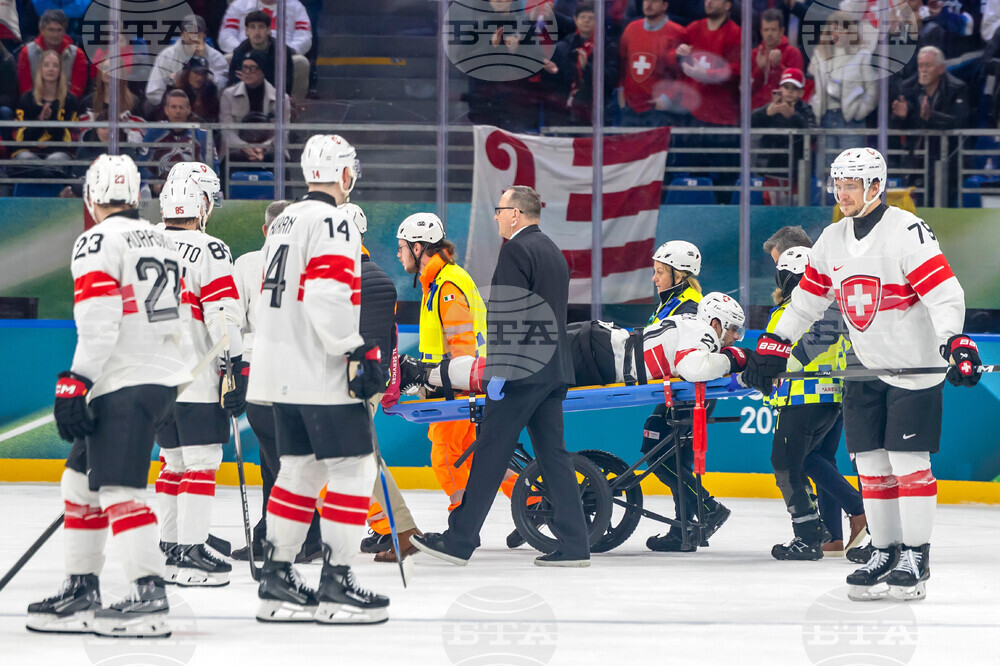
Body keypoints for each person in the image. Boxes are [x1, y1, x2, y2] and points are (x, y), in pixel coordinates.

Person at [742, 147, 981, 602]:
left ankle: (916, 554)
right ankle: (885, 551)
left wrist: (954, 340)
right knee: (871, 465)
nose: (842, 193)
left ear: (875, 186)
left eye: (851, 184)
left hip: (914, 369)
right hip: (864, 367)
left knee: (909, 464)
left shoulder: (907, 231)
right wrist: (776, 344)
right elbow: (808, 301)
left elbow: (944, 291)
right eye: (838, 184)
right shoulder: (831, 238)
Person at [25, 154, 188, 637]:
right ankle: (82, 586)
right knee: (80, 484)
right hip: (155, 377)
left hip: (122, 378)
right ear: (137, 196)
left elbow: (99, 321)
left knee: (119, 489)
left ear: (90, 198)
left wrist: (76, 380)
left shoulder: (96, 239)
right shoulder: (162, 238)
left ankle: (149, 594)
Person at [247, 134, 390, 624]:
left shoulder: (284, 218)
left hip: (276, 370)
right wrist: (356, 350)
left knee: (299, 470)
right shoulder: (337, 219)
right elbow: (326, 296)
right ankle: (336, 583)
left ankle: (277, 577)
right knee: (355, 470)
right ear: (345, 173)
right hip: (319, 369)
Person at [411, 185, 591, 568]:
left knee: (490, 454)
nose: (495, 216)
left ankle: (459, 540)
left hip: (519, 374)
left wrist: (500, 372)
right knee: (553, 456)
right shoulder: (553, 251)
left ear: (516, 214)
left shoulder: (517, 249)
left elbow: (509, 316)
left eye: (499, 210)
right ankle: (576, 544)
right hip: (552, 372)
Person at [392, 212, 519, 545]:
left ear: (419, 248)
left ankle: (461, 531)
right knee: (473, 455)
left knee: (446, 456)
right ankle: (533, 501)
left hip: (458, 386)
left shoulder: (446, 285)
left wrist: (442, 381)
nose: (398, 253)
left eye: (402, 247)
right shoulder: (440, 280)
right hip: (459, 383)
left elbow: (461, 344)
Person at [152, 163, 245, 588]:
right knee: (202, 462)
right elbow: (222, 316)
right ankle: (191, 549)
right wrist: (235, 369)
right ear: (202, 202)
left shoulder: (143, 243)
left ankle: (170, 544)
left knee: (172, 462)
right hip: (196, 376)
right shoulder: (210, 249)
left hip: (152, 378)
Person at [763, 225, 867, 559]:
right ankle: (833, 536)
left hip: (807, 396)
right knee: (820, 460)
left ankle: (854, 510)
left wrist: (761, 369)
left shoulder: (805, 310)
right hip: (832, 394)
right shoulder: (834, 303)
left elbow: (795, 354)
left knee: (798, 460)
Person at [230, 200, 324, 564]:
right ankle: (275, 534)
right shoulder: (310, 262)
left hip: (258, 371)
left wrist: (232, 374)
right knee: (281, 456)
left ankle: (300, 535)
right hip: (299, 371)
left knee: (280, 459)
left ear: (266, 230)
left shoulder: (247, 263)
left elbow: (233, 323)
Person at [639, 241, 732, 551]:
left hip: (689, 393)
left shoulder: (691, 307)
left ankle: (707, 509)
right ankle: (687, 529)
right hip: (678, 392)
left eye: (660, 272)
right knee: (672, 456)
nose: (654, 278)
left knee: (658, 452)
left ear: (678, 276)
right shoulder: (673, 303)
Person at [541, 1, 618, 126]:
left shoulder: (607, 48)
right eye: (582, 17)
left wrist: (586, 68)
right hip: (562, 114)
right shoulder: (562, 47)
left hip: (593, 114)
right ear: (575, 20)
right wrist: (550, 71)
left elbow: (612, 78)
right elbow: (552, 84)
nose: (586, 21)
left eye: (591, 18)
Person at [218, 0, 312, 98]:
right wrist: (246, 51)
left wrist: (287, 50)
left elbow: (304, 36)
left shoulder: (296, 6)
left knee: (301, 62)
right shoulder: (239, 4)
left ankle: (292, 107)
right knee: (226, 60)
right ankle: (228, 106)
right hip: (245, 50)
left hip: (280, 52)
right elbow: (226, 36)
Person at [617, 0, 688, 128]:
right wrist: (621, 91)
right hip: (630, 107)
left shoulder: (678, 32)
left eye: (654, 1)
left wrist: (667, 98)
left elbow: (683, 74)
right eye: (646, 1)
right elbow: (622, 63)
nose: (648, 4)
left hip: (659, 109)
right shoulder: (630, 29)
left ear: (664, 5)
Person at [11, 48, 79, 178]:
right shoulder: (26, 99)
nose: (51, 69)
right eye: (46, 65)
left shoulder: (70, 100)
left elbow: (72, 138)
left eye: (55, 65)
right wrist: (40, 122)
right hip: (29, 151)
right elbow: (17, 136)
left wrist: (52, 121)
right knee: (26, 159)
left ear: (60, 71)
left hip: (59, 151)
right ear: (40, 69)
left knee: (55, 161)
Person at [145, 14, 228, 113]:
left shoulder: (216, 57)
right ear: (182, 34)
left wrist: (204, 65)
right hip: (172, 107)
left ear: (205, 34)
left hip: (205, 105)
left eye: (197, 32)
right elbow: (154, 92)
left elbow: (222, 89)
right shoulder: (167, 56)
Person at [219, 52, 292, 163]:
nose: (247, 72)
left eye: (253, 69)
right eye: (245, 68)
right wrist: (245, 147)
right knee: (231, 158)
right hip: (237, 148)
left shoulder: (281, 99)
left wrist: (262, 148)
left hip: (270, 149)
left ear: (263, 72)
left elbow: (283, 132)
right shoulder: (228, 95)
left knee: (278, 159)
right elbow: (227, 131)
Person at [139, 90, 218, 189]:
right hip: (162, 190)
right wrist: (154, 183)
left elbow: (214, 169)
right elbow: (141, 166)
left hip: (194, 191)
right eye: (173, 107)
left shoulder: (203, 135)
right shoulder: (154, 133)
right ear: (166, 110)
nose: (178, 111)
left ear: (189, 110)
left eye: (181, 107)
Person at [750, 67, 814, 173]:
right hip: (769, 168)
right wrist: (765, 113)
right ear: (780, 89)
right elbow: (748, 123)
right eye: (786, 87)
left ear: (801, 92)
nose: (789, 91)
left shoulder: (806, 110)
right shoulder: (770, 108)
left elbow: (813, 134)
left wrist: (794, 117)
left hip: (795, 169)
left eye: (794, 88)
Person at [16, 9, 87, 98]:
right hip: (33, 105)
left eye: (59, 30)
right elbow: (25, 88)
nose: (55, 35)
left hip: (67, 105)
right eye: (51, 30)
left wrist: (59, 104)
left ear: (65, 31)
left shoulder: (77, 55)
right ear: (41, 30)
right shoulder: (26, 52)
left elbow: (78, 89)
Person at [226, 9, 296, 97]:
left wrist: (254, 80)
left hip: (274, 97)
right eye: (252, 27)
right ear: (247, 30)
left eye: (261, 27)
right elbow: (234, 83)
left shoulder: (281, 51)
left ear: (268, 30)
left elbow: (286, 84)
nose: (257, 32)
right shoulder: (240, 52)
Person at [750, 9, 803, 110]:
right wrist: (760, 70)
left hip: (783, 111)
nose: (769, 34)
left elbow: (795, 88)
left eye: (773, 29)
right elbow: (748, 91)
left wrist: (777, 66)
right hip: (756, 113)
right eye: (766, 30)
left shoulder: (793, 53)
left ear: (781, 31)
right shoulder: (753, 54)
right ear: (761, 31)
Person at [169, 56, 222, 123]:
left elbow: (214, 117)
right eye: (196, 73)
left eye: (203, 74)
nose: (200, 78)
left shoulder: (210, 91)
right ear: (187, 73)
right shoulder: (175, 91)